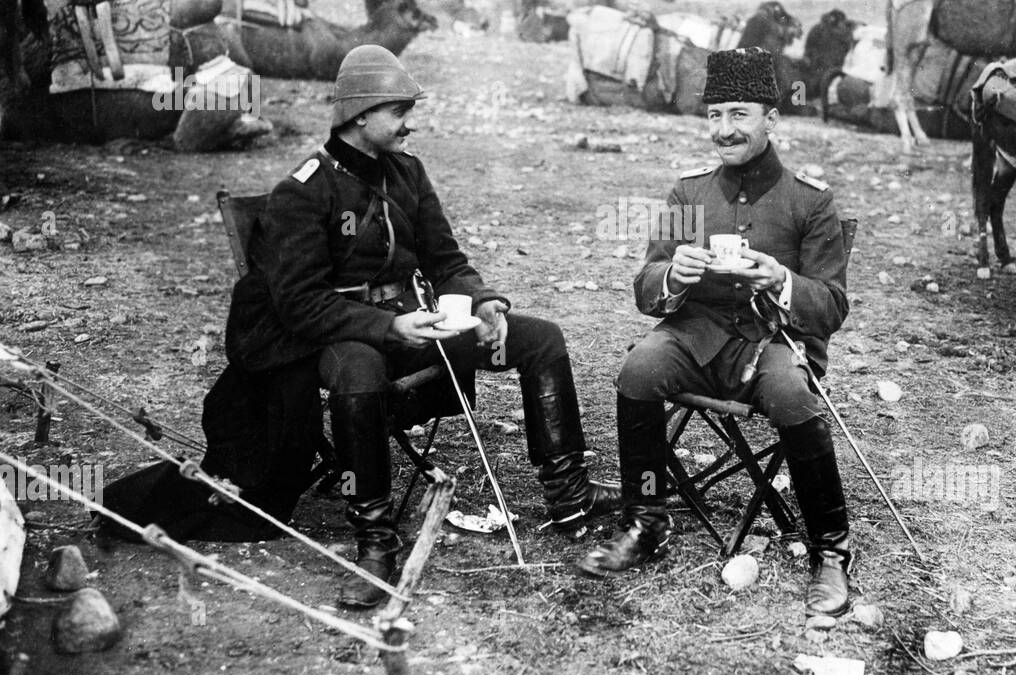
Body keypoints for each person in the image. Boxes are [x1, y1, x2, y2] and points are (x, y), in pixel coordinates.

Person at [230, 45, 616, 607]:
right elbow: (301, 305)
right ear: (361, 114)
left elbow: (445, 261)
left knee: (542, 340)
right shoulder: (305, 190)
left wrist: (484, 302)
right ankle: (375, 542)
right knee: (359, 375)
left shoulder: (407, 173)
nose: (411, 123)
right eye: (399, 111)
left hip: (421, 327)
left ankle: (568, 498)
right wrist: (390, 329)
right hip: (346, 338)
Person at [577, 47, 854, 617]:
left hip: (773, 342)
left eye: (738, 114)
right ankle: (646, 520)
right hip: (696, 337)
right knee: (638, 370)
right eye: (714, 116)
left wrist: (782, 279)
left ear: (770, 120)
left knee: (791, 395)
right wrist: (672, 276)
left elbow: (830, 307)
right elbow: (646, 284)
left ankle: (830, 550)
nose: (723, 130)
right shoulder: (690, 193)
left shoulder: (811, 200)